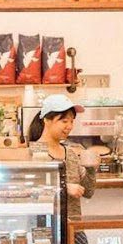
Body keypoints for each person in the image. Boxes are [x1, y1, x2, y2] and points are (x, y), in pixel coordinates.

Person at [26, 94, 97, 222]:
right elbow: (28, 191)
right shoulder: (33, 151)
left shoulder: (70, 153)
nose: (69, 126)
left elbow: (88, 192)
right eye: (64, 121)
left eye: (72, 121)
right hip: (44, 227)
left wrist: (91, 168)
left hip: (73, 228)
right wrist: (63, 188)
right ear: (47, 120)